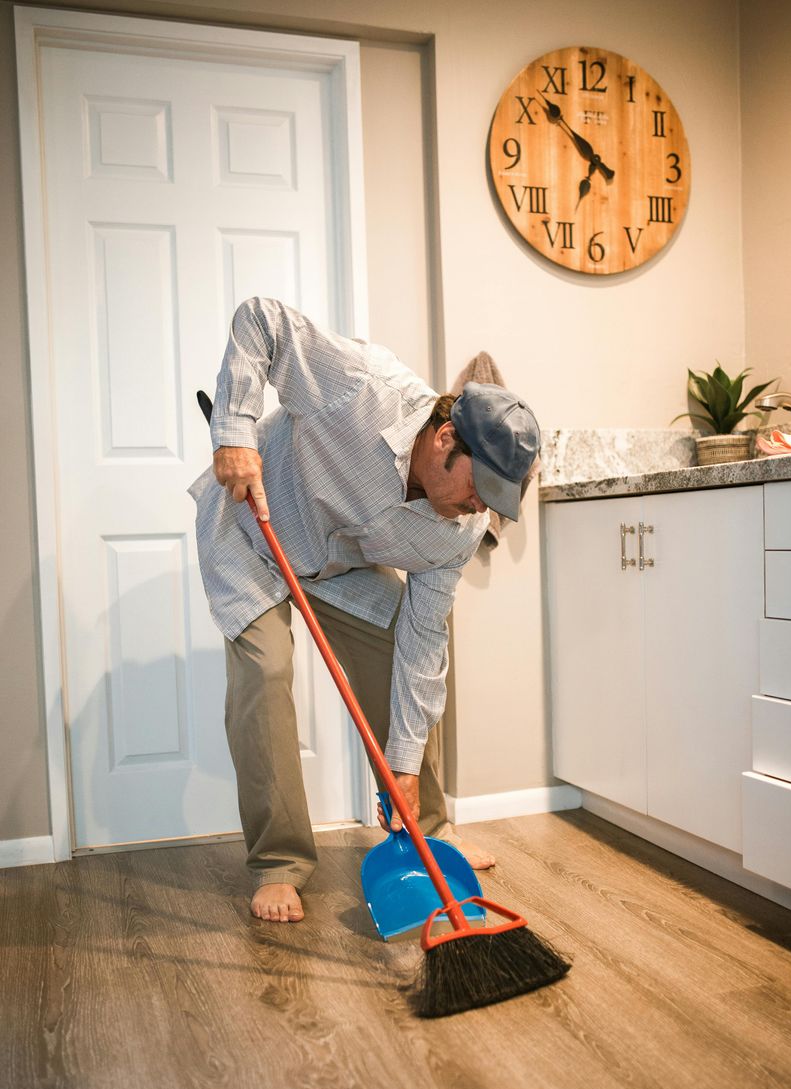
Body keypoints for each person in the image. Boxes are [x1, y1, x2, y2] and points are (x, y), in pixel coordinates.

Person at [190, 298, 541, 923]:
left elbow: (422, 646)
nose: (478, 511)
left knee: (399, 656)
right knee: (265, 674)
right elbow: (261, 320)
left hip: (332, 568)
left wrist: (401, 763)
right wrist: (235, 432)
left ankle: (425, 826)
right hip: (252, 533)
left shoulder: (457, 531)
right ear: (444, 440)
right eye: (476, 490)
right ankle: (279, 864)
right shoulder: (361, 387)